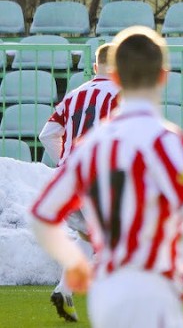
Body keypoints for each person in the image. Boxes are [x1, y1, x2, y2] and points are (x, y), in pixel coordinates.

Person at [31, 26, 183, 328]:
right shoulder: (165, 140)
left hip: (106, 292)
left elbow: (41, 216)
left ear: (115, 78)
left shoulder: (89, 147)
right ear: (163, 76)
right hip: (150, 287)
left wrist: (74, 261)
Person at [38, 43, 120, 322]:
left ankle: (64, 291)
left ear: (96, 68)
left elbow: (46, 135)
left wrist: (65, 161)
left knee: (88, 235)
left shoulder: (74, 95)